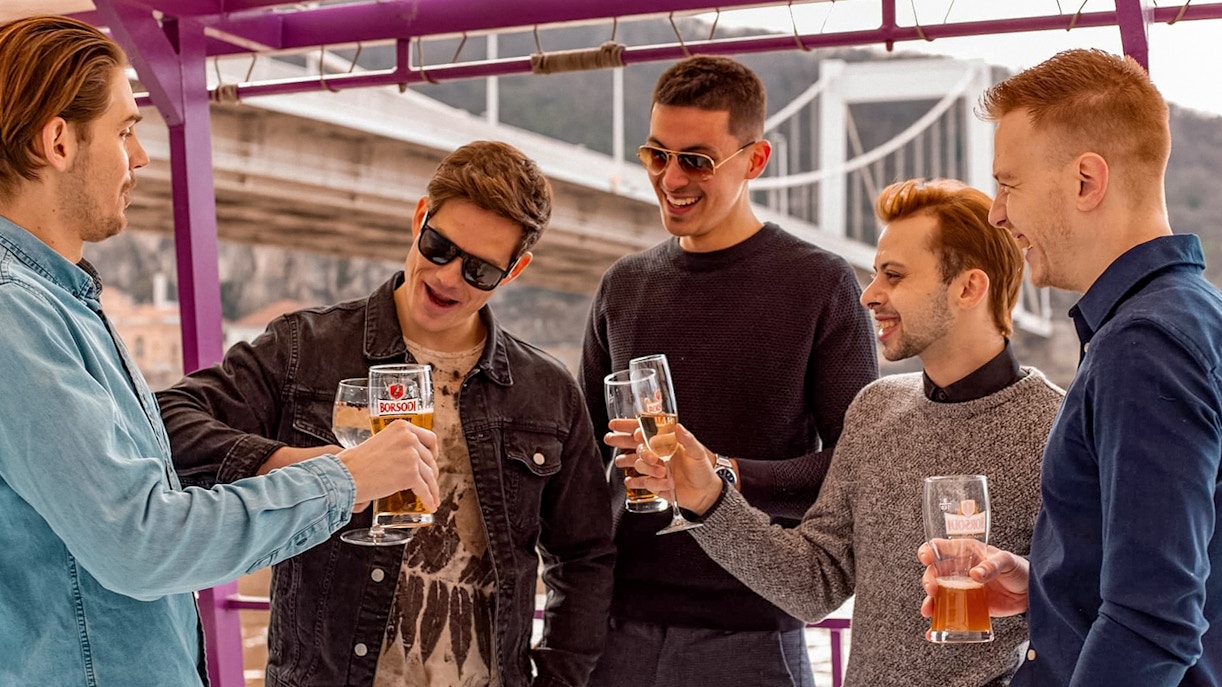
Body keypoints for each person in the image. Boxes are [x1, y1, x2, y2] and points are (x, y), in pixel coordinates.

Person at [0, 15, 441, 687]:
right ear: (59, 141)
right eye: (124, 130)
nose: (140, 157)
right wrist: (347, 479)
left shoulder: (61, 303)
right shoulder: (18, 314)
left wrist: (325, 471)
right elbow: (141, 540)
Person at [158, 139, 616, 687]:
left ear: (513, 271)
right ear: (420, 218)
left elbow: (585, 558)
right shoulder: (306, 347)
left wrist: (558, 679)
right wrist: (300, 468)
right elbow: (165, 419)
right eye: (439, 247)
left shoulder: (548, 390)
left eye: (480, 271)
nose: (448, 278)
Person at [626, 178, 1064, 686]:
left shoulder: (1057, 427)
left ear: (968, 288)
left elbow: (1098, 609)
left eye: (893, 275)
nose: (869, 295)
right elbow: (815, 584)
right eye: (876, 275)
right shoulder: (875, 410)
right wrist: (708, 499)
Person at [918, 49, 1222, 686]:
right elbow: (1187, 567)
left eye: (1009, 184)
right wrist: (1045, 587)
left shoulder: (1142, 345)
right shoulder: (1194, 315)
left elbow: (1154, 621)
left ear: (1086, 180)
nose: (997, 212)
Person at [580, 55, 877, 687]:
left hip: (754, 637)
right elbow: (581, 460)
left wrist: (723, 474)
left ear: (756, 160)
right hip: (614, 629)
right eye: (657, 155)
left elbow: (856, 469)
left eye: (696, 160)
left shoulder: (821, 284)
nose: (670, 178)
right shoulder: (622, 286)